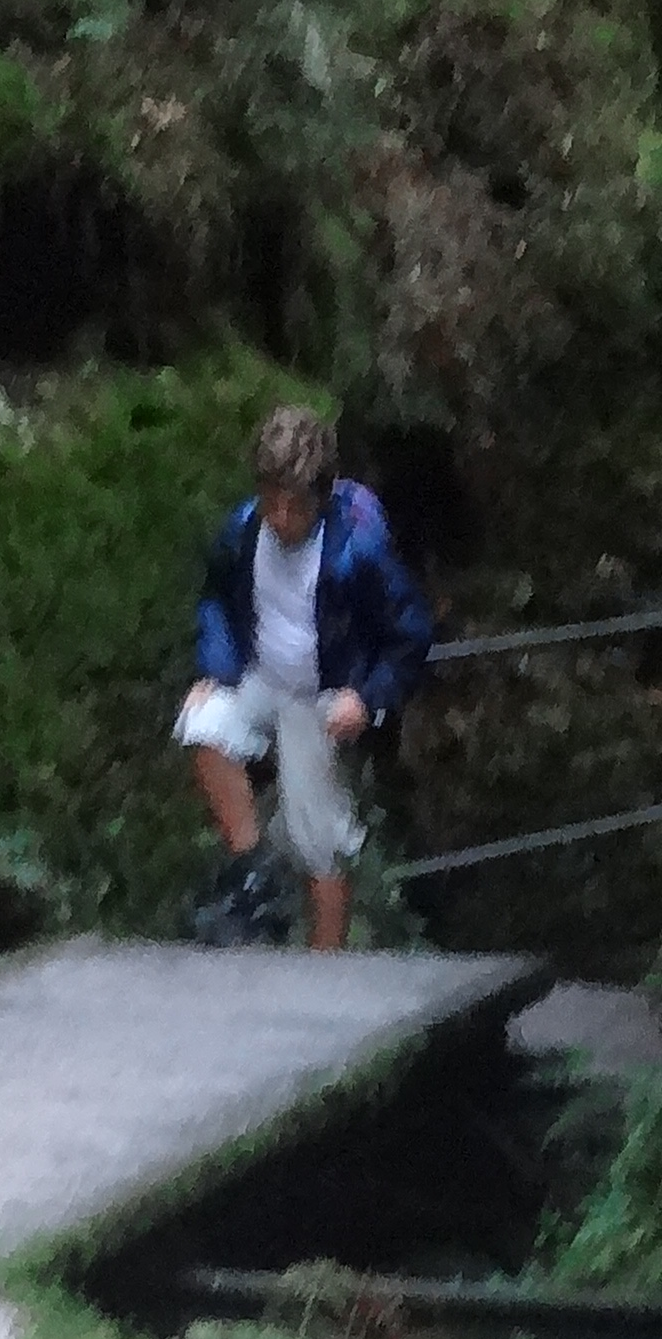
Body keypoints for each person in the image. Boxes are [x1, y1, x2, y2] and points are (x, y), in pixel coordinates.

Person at [176, 402, 432, 949]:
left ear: (323, 496)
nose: (280, 517)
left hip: (319, 698)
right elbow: (216, 598)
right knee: (202, 723)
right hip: (260, 678)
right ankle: (254, 874)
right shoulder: (244, 530)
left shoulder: (357, 550)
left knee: (317, 841)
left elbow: (409, 634)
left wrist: (367, 698)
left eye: (294, 506)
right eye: (271, 500)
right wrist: (216, 669)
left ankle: (325, 968)